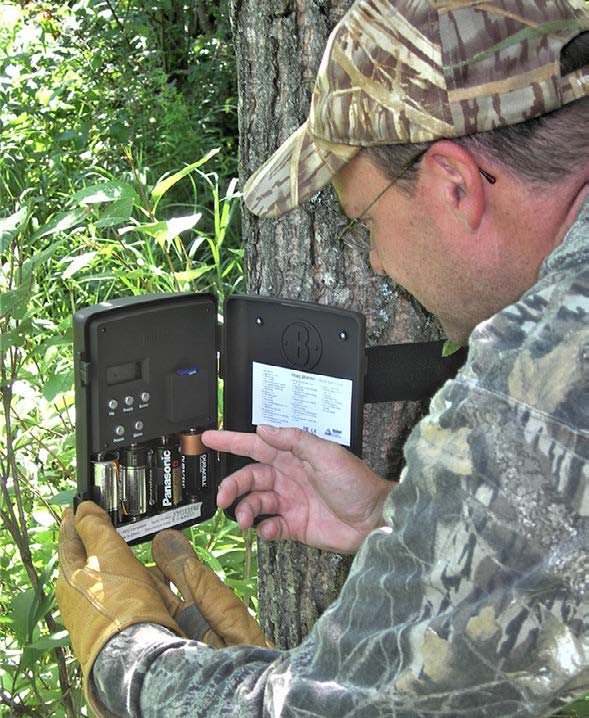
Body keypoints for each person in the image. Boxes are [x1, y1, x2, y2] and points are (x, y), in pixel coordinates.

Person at [57, 1, 589, 716]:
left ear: (452, 184)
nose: (372, 258)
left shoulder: (544, 371)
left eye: (363, 220)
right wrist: (396, 521)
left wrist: (127, 655)